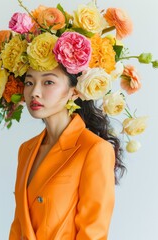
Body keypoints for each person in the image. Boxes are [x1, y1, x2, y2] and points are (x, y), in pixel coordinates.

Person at [9, 63, 125, 240]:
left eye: (48, 82)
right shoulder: (26, 149)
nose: (35, 92)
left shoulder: (94, 149)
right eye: (29, 82)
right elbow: (19, 224)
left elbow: (93, 233)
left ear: (74, 91)